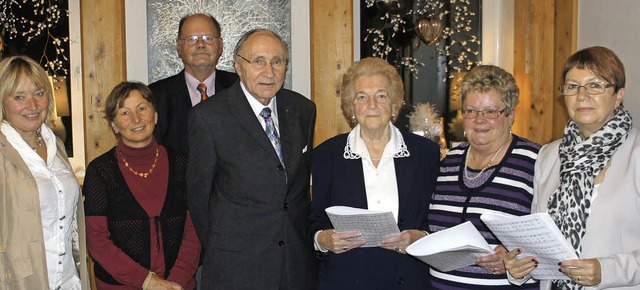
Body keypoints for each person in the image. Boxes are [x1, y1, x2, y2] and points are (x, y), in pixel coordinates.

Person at [186, 29, 318, 289]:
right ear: (238, 65)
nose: (269, 71)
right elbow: (198, 199)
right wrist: (223, 249)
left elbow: (298, 191)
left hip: (295, 266)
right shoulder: (208, 117)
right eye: (258, 61)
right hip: (236, 268)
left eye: (277, 61)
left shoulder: (303, 109)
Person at [504, 46, 640, 289]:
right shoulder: (549, 155)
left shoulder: (636, 154)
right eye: (572, 86)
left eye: (595, 85)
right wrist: (519, 267)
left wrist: (606, 270)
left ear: (618, 95)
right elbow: (539, 241)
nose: (581, 95)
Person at [308, 57, 440, 289]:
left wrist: (421, 237)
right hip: (347, 280)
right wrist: (324, 239)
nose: (372, 104)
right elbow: (314, 219)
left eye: (381, 95)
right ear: (351, 106)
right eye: (362, 97)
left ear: (394, 104)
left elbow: (439, 218)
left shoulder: (425, 153)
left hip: (408, 278)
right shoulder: (326, 155)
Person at [425, 65, 541, 288]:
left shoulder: (535, 161)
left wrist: (513, 254)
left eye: (490, 111)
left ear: (511, 115)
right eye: (471, 111)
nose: (479, 119)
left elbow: (549, 238)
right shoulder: (448, 161)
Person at [83, 81, 201, 289]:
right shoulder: (100, 171)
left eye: (142, 109)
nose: (136, 119)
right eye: (124, 113)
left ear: (155, 116)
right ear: (114, 125)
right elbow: (97, 241)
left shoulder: (184, 165)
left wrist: (175, 282)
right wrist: (149, 282)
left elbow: (195, 231)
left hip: (178, 285)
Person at [0, 55, 90, 289]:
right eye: (19, 97)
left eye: (39, 93)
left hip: (69, 279)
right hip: (21, 281)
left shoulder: (56, 145)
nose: (32, 105)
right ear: (3, 102)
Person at [150, 13, 238, 154]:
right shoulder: (155, 96)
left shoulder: (241, 88)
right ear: (179, 47)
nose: (201, 45)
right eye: (192, 39)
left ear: (221, 46)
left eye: (208, 38)